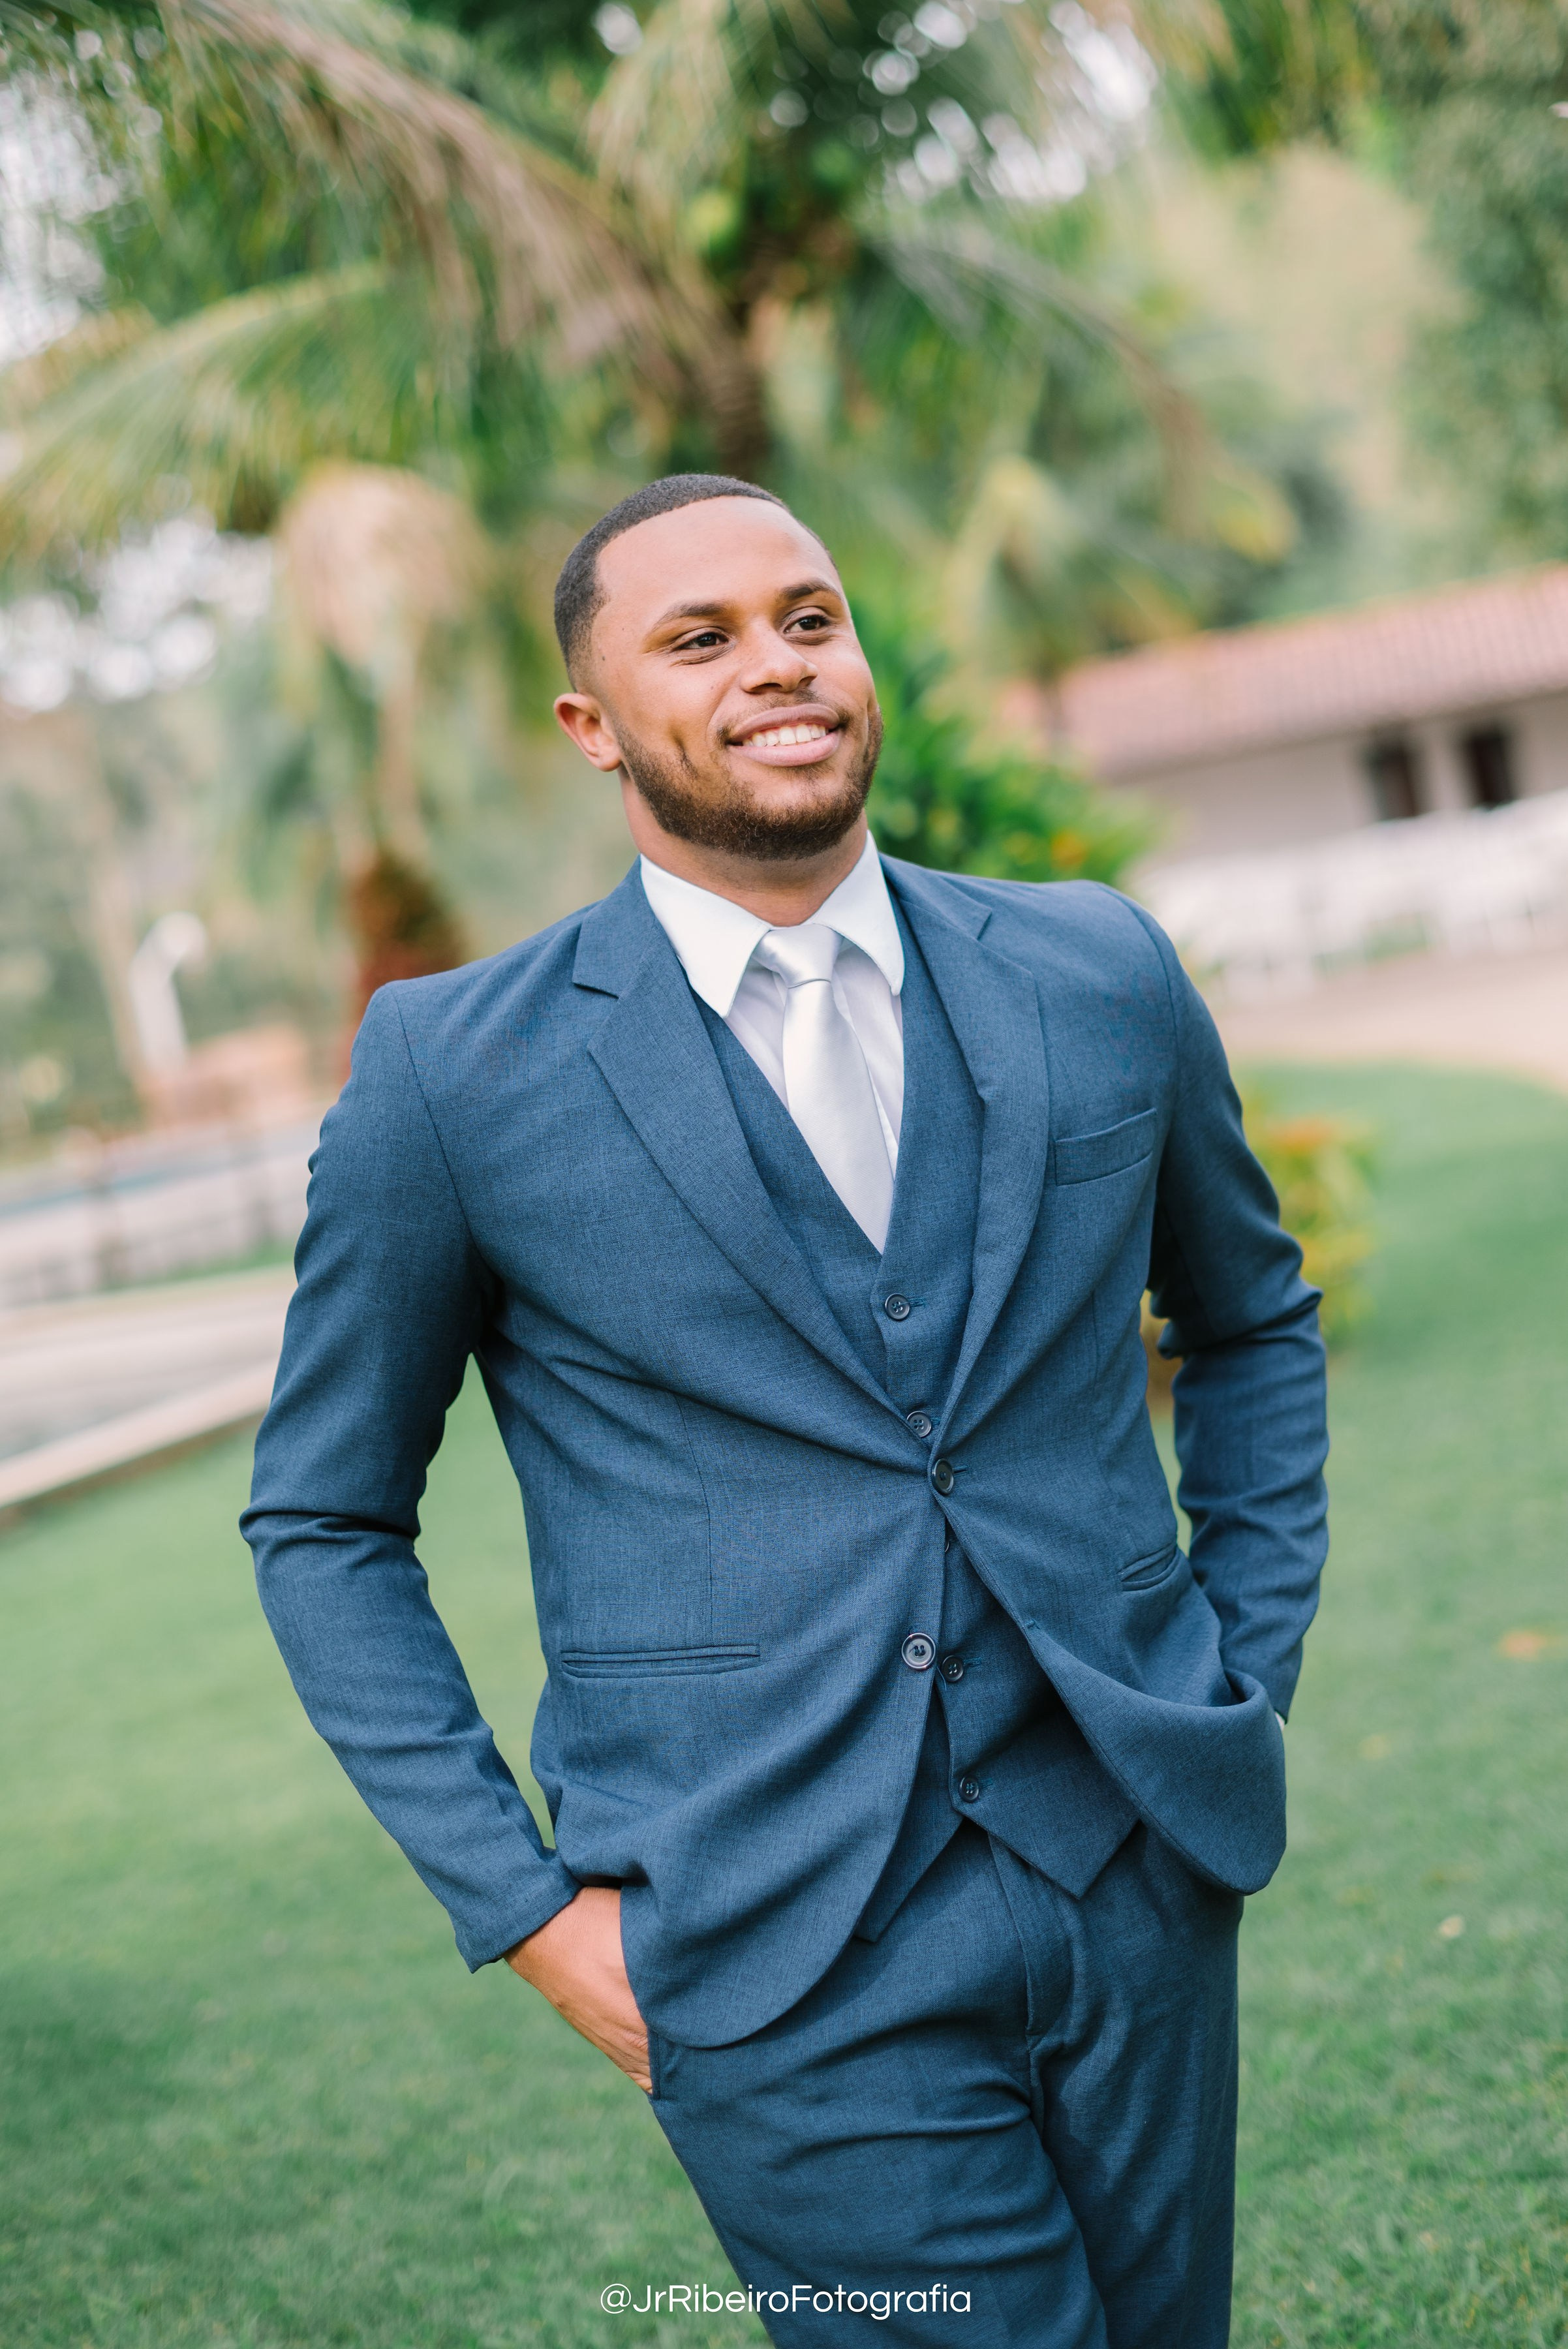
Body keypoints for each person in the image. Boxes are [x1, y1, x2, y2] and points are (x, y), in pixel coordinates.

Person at [243, 473, 1329, 2348]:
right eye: (701, 638)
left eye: (808, 616)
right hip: (762, 1939)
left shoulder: (1094, 969)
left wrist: (1234, 1667)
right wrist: (524, 1908)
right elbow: (324, 1522)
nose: (777, 665)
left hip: (1135, 1873)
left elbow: (1245, 1326)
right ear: (591, 726)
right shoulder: (453, 1074)